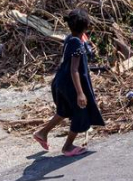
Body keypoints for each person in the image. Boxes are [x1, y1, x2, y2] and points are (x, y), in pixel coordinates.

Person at [32, 9, 104, 156]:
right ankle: (68, 146)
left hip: (61, 81)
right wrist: (80, 93)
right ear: (86, 27)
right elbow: (74, 70)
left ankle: (42, 133)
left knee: (63, 111)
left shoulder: (70, 39)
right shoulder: (77, 43)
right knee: (80, 114)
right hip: (71, 84)